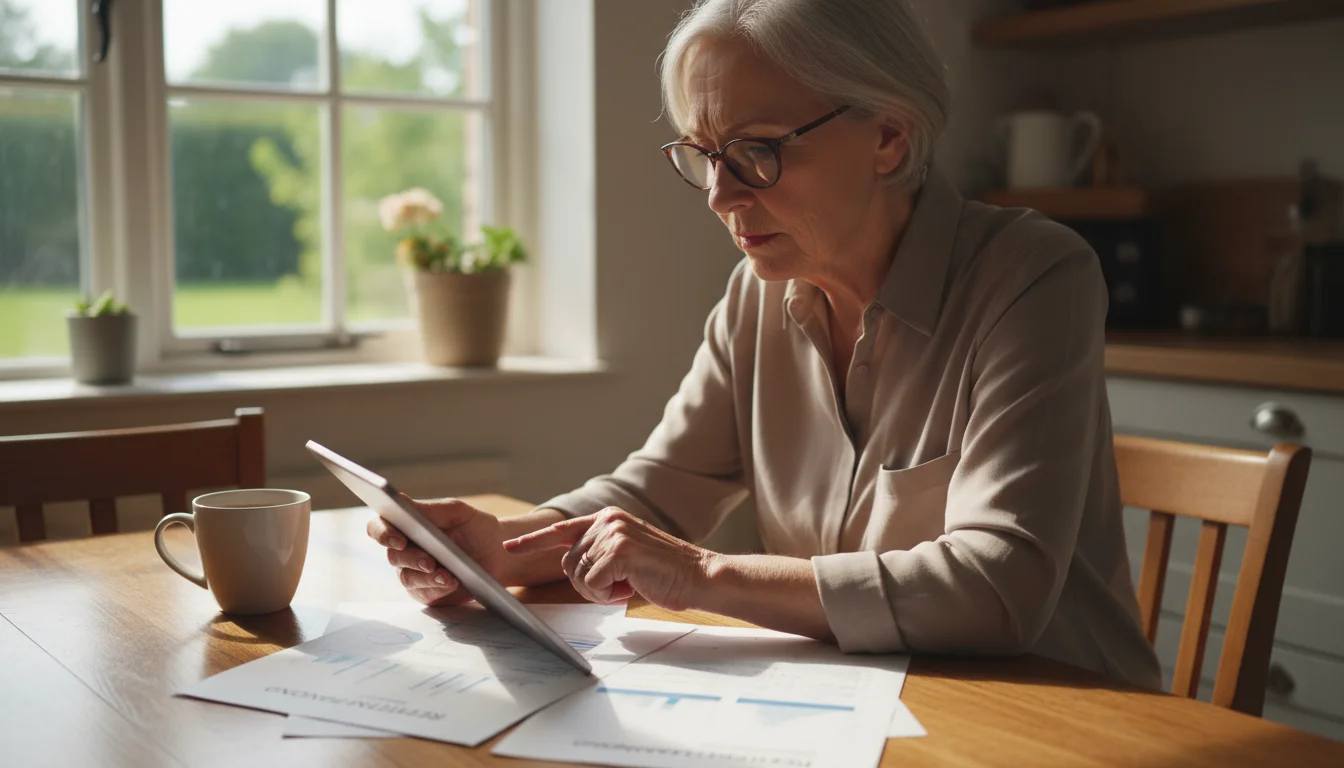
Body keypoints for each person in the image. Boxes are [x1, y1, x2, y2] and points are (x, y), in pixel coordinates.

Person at [368, 0, 1162, 690]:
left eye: (756, 151)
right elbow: (656, 493)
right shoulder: (758, 294)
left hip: (1056, 718)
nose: (720, 196)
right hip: (866, 704)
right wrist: (501, 548)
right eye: (704, 155)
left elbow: (998, 587)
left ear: (888, 136)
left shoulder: (1034, 277)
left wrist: (703, 574)